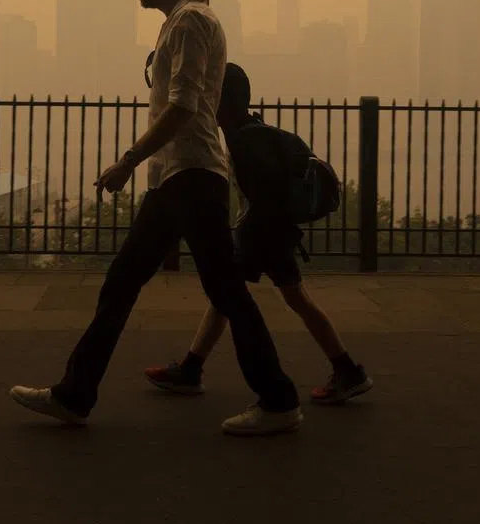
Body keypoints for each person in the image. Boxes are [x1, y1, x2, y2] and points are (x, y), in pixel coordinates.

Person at [9, 0, 303, 436]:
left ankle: (278, 399)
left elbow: (185, 106)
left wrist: (127, 160)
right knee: (127, 281)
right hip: (178, 178)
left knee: (223, 289)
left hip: (191, 175)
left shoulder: (189, 21)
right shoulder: (185, 21)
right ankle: (74, 394)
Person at [144, 64, 373, 404]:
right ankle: (347, 370)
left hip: (261, 235)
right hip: (273, 234)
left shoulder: (243, 141)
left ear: (221, 102)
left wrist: (246, 232)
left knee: (231, 298)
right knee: (289, 299)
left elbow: (262, 195)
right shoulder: (253, 130)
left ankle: (200, 371)